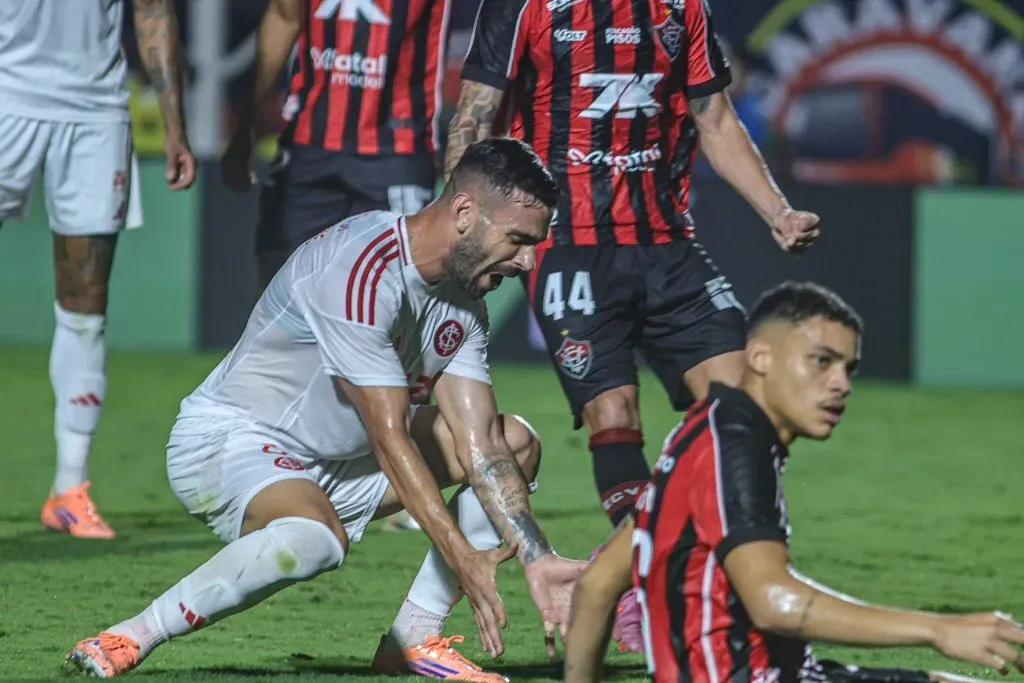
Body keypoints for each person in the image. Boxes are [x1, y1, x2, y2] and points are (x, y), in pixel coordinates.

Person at [386, 0, 823, 656]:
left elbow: (713, 114)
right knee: (612, 411)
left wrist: (777, 212)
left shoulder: (682, 8)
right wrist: (461, 224)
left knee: (745, 408)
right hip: (569, 247)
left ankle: (667, 560)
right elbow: (475, 112)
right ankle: (660, 582)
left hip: (670, 245)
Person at [63, 138, 585, 680]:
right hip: (233, 443)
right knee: (314, 541)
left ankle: (413, 641)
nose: (527, 261)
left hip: (341, 458)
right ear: (464, 212)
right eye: (519, 240)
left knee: (516, 442)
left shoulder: (464, 299)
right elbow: (390, 438)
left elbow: (482, 445)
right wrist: (460, 553)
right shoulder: (364, 268)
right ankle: (129, 635)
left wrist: (537, 556)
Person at [562, 281, 1024, 683]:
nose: (841, 384)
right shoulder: (733, 445)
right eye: (822, 362)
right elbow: (772, 601)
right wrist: (937, 629)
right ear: (760, 357)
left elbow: (598, 583)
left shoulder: (704, 431)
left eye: (848, 368)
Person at [0, 0, 195, 540]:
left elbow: (153, 12)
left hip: (95, 110)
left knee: (86, 295)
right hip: (6, 92)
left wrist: (174, 122)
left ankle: (69, 488)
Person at [221, 0, 452, 292]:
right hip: (308, 146)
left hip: (396, 150)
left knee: (396, 300)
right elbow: (284, 15)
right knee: (280, 295)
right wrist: (245, 128)